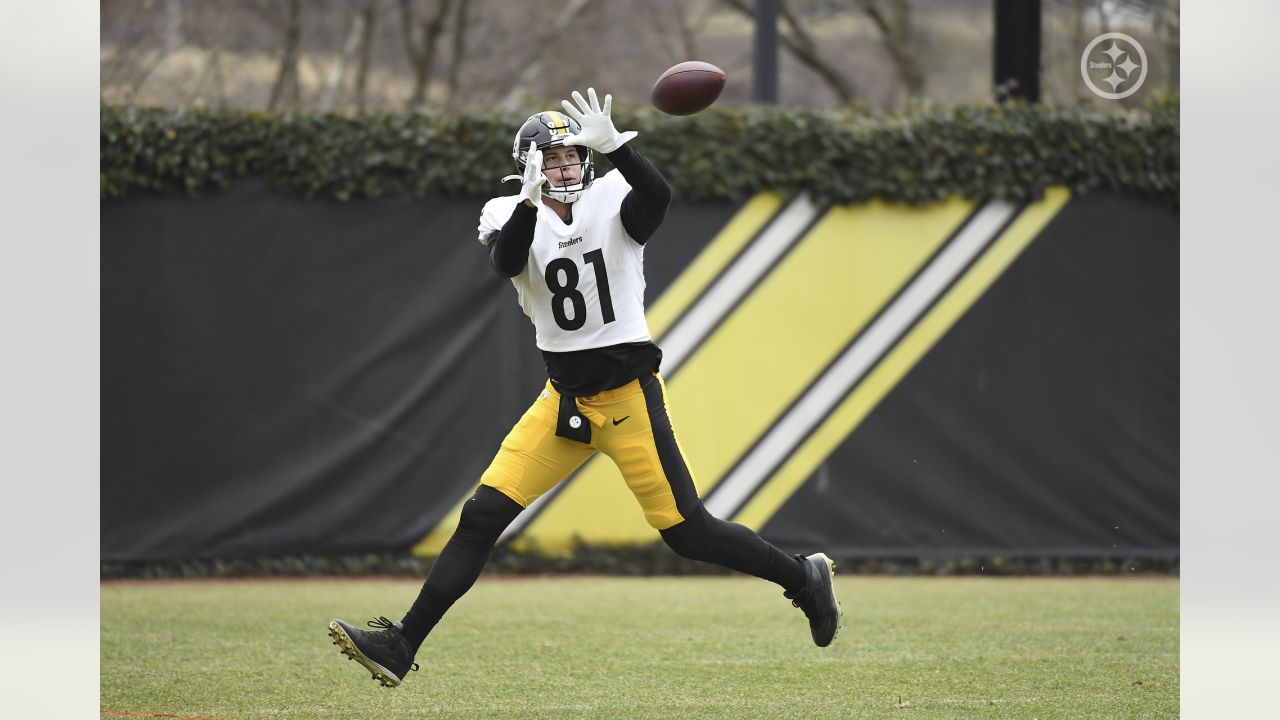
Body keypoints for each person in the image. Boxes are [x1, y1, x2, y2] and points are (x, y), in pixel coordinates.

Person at [328, 88, 841, 688]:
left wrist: (618, 148)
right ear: (528, 165)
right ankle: (400, 644)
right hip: (564, 400)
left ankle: (802, 578)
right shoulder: (508, 212)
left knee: (687, 532)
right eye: (552, 159)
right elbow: (507, 263)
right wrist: (525, 202)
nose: (565, 168)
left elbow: (658, 197)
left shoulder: (611, 196)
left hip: (626, 395)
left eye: (573, 157)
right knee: (482, 514)